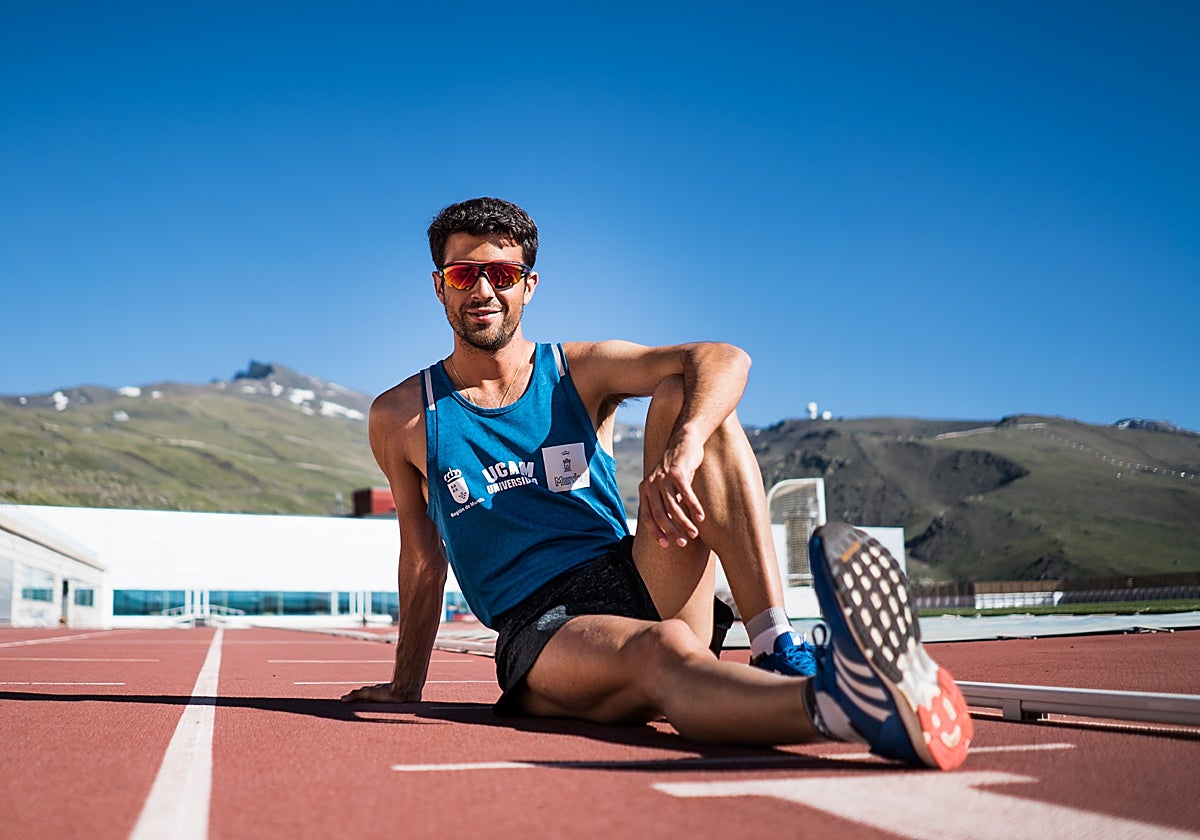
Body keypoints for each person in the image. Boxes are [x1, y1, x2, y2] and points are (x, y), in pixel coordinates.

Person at [342, 197, 972, 769]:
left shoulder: (575, 371)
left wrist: (686, 444)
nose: (483, 289)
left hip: (637, 573)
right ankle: (848, 707)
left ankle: (776, 641)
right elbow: (423, 563)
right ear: (439, 288)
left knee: (689, 394)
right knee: (664, 650)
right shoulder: (401, 417)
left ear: (528, 286)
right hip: (545, 626)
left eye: (501, 274)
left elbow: (726, 357)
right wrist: (405, 685)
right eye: (463, 275)